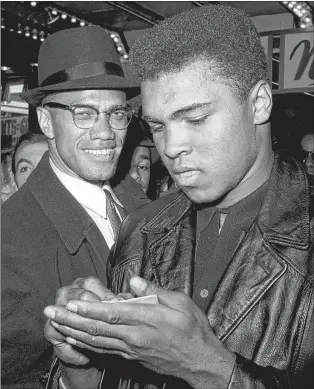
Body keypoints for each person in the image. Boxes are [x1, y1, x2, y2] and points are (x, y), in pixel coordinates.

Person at [44, 5, 313, 389]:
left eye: (196, 118)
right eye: (157, 126)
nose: (171, 147)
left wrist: (209, 368)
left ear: (259, 103)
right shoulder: (140, 232)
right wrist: (81, 362)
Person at [1, 26, 140, 389]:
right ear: (46, 121)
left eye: (117, 114)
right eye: (84, 113)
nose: (105, 133)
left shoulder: (141, 202)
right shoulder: (11, 242)